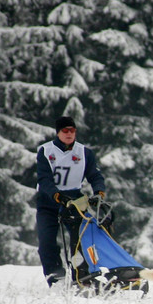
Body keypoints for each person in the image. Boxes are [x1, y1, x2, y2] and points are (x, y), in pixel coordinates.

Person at [35, 116, 106, 286]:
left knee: (81, 239)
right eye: (65, 131)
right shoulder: (46, 151)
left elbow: (95, 175)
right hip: (49, 201)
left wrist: (99, 191)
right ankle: (55, 276)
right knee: (47, 240)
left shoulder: (84, 152)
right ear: (58, 132)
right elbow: (44, 179)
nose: (69, 134)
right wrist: (56, 195)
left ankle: (82, 276)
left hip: (74, 200)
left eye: (72, 131)